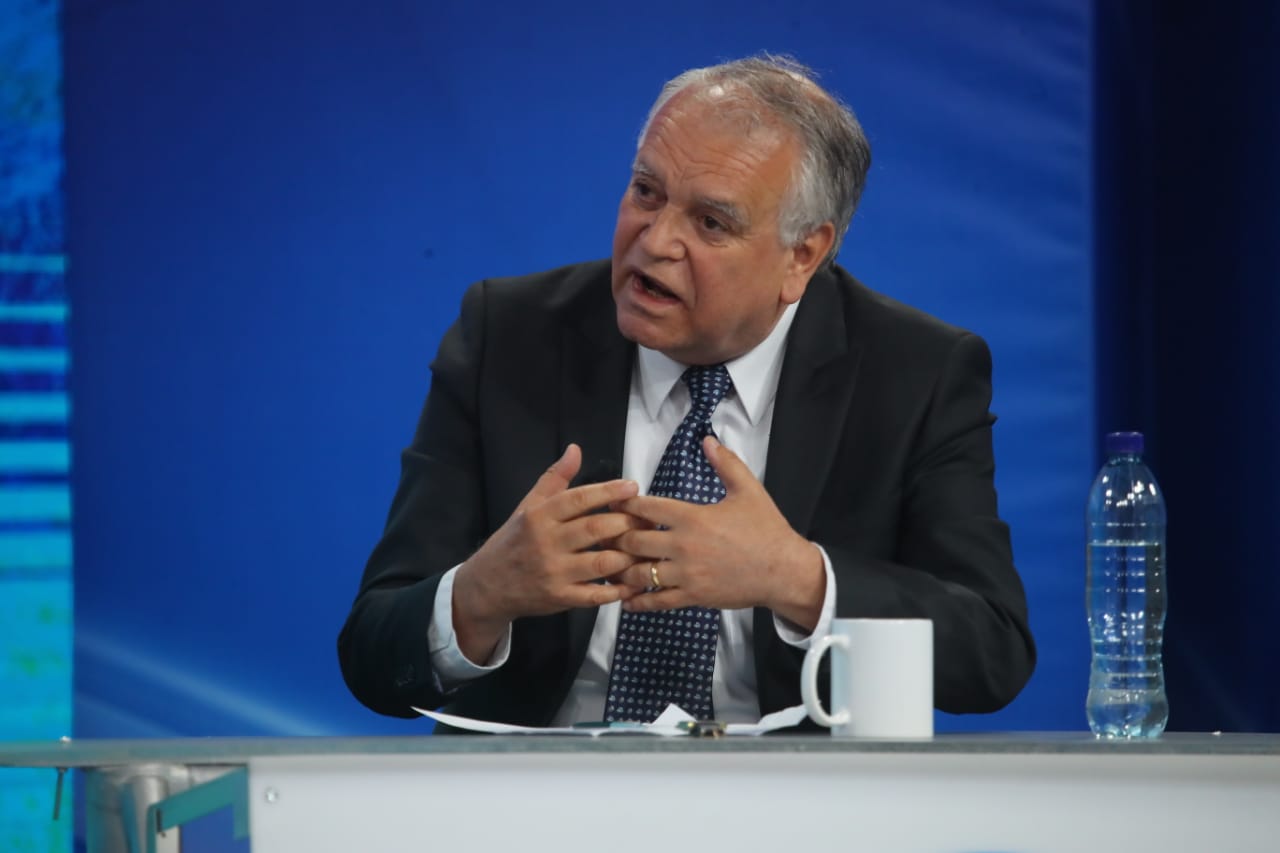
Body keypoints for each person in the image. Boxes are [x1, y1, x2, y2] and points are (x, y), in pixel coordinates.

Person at [338, 55, 1035, 731]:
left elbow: (993, 650)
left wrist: (798, 578)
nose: (656, 240)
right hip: (540, 784)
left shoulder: (915, 373)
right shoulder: (510, 337)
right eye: (646, 192)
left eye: (711, 223)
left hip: (795, 794)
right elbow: (372, 655)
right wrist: (481, 594)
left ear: (802, 256)